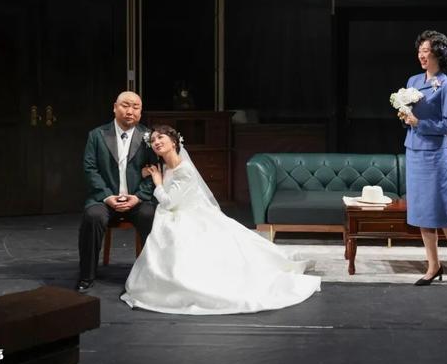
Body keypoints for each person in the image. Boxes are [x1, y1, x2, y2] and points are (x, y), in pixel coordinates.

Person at [120, 125, 321, 314]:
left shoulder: (184, 169)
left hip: (187, 214)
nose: (156, 142)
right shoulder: (165, 166)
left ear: (173, 142)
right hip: (176, 213)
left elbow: (169, 203)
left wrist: (157, 182)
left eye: (160, 137)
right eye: (153, 140)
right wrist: (153, 174)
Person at [398, 30, 447, 288]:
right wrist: (406, 118)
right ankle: (433, 265)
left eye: (426, 51)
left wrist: (419, 122)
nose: (421, 55)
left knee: (443, 213)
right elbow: (410, 115)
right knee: (422, 213)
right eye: (419, 51)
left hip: (435, 156)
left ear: (438, 54)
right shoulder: (414, 80)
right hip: (414, 152)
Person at [77, 91, 157, 292]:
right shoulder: (97, 135)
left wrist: (138, 196)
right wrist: (106, 196)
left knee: (150, 215)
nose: (130, 111)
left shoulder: (149, 137)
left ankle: (151, 274)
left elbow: (155, 171)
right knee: (93, 217)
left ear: (140, 112)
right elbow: (90, 169)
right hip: (104, 198)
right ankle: (86, 275)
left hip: (137, 199)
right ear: (114, 107)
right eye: (125, 105)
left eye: (136, 107)